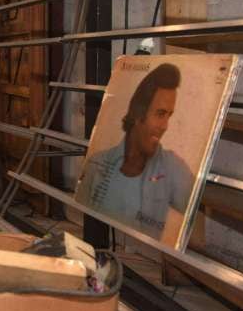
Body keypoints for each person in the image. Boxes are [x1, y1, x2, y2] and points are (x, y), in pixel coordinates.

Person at [75, 63, 193, 244]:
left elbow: (196, 224)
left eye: (169, 116)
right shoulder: (96, 163)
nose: (165, 126)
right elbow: (81, 207)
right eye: (160, 114)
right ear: (138, 114)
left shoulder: (173, 168)